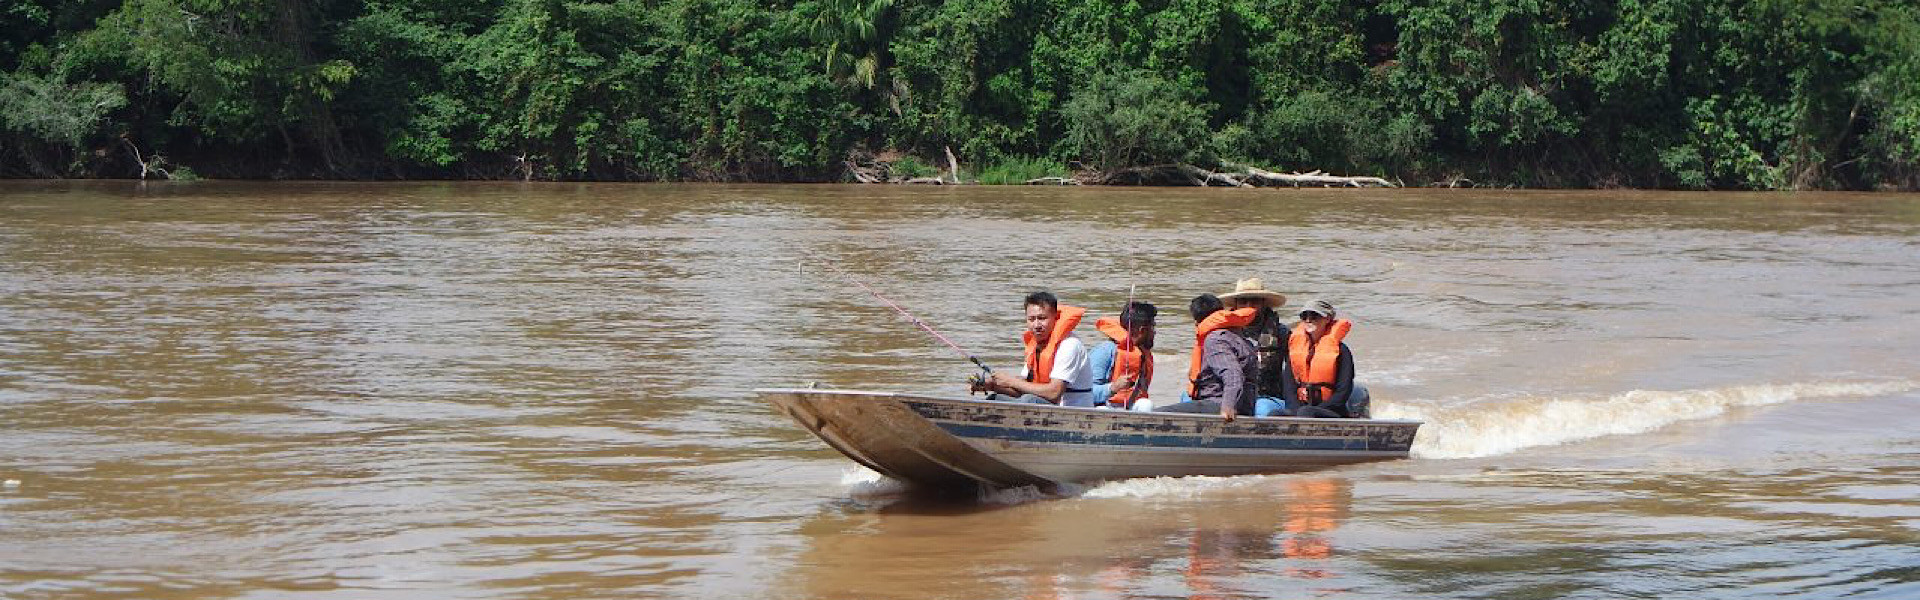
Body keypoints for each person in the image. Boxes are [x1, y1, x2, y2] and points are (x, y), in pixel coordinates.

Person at [971, 291, 1095, 406]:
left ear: (1055, 317)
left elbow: (1054, 394)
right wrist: (991, 385)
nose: (1036, 325)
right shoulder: (1035, 345)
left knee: (1028, 400)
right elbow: (1023, 389)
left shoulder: (1069, 345)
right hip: (1041, 405)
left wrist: (1010, 381)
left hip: (1070, 411)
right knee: (995, 399)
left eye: (1042, 318)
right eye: (1031, 319)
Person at [1154, 294, 1258, 421]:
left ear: (1197, 321)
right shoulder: (1238, 336)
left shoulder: (1215, 339)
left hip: (1219, 403)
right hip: (1244, 404)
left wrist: (1228, 406)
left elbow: (1233, 374)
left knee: (1155, 415)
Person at [1281, 299, 1368, 418]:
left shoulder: (1342, 351)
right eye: (1304, 316)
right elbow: (1289, 388)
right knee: (1274, 414)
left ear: (1327, 319)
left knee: (1307, 412)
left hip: (1332, 411)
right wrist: (1295, 410)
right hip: (1302, 410)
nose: (1308, 320)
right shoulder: (1296, 350)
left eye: (1314, 315)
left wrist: (1314, 410)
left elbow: (1343, 392)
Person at [1216, 278, 1290, 416]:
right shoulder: (1223, 334)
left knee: (1262, 409)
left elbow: (1292, 372)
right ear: (1236, 305)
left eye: (1254, 301)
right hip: (1230, 395)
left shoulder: (1282, 333)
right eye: (1243, 301)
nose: (1248, 306)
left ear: (1263, 304)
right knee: (1188, 399)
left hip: (1267, 397)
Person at [1088, 301, 1157, 411]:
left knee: (1146, 404)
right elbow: (1086, 393)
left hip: (1130, 408)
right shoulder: (1105, 351)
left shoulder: (1144, 355)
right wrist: (1112, 388)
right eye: (1152, 327)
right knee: (1103, 410)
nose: (1154, 332)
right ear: (1142, 330)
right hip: (1104, 407)